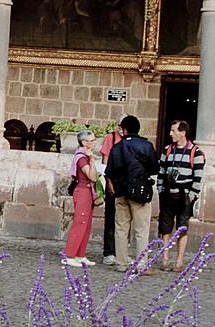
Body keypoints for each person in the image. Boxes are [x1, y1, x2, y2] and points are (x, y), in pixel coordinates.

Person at [103, 114, 158, 273]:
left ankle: (121, 263)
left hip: (121, 191)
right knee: (141, 230)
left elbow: (110, 170)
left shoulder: (118, 147)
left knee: (121, 228)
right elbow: (154, 168)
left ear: (125, 129)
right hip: (140, 192)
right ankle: (141, 264)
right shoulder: (146, 146)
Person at [157, 118, 206, 272]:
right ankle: (165, 258)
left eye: (174, 131)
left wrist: (192, 196)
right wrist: (160, 190)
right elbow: (161, 172)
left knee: (182, 228)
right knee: (165, 227)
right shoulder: (167, 150)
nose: (171, 134)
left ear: (183, 132)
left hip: (184, 194)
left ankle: (179, 260)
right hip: (167, 194)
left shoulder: (195, 152)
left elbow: (198, 177)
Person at [62, 129, 100, 265]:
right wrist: (91, 159)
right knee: (80, 223)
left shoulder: (84, 156)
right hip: (83, 191)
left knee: (87, 224)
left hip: (88, 191)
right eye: (92, 140)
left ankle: (80, 254)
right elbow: (92, 176)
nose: (94, 142)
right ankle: (70, 255)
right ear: (84, 142)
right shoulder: (81, 157)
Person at [99, 119, 124, 262]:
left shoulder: (129, 140)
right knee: (110, 218)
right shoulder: (111, 138)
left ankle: (121, 251)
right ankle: (109, 251)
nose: (121, 128)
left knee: (124, 219)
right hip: (112, 182)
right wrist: (107, 181)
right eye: (119, 125)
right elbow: (105, 160)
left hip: (125, 184)